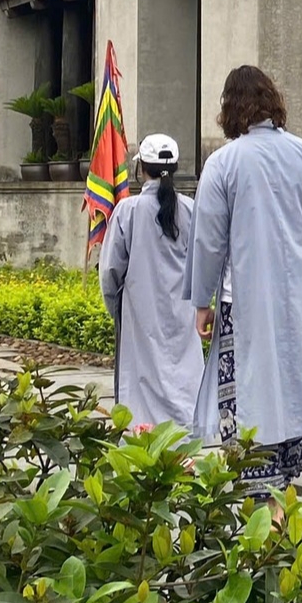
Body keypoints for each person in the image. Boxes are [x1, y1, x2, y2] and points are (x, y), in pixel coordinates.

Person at [187, 65, 302, 495]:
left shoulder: (224, 163)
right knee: (291, 381)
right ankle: (285, 484)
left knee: (250, 392)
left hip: (244, 299)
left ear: (230, 109)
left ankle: (263, 505)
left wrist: (202, 300)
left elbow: (208, 241)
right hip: (294, 299)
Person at [97, 133, 203, 429]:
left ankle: (142, 447)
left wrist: (116, 308)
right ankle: (185, 447)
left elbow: (110, 272)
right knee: (183, 378)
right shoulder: (191, 209)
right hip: (183, 315)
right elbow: (204, 264)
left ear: (140, 168)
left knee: (140, 384)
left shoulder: (128, 212)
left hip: (140, 316)